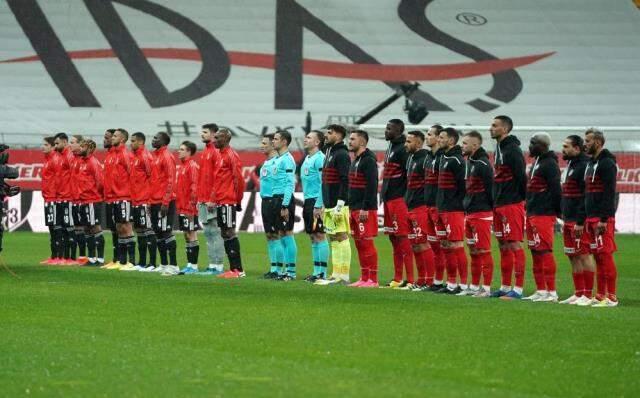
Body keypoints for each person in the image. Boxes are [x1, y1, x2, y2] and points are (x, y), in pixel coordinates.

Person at [489, 115, 527, 299]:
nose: (491, 128)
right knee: (503, 245)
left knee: (514, 244)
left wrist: (518, 199)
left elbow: (521, 177)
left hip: (511, 203)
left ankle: (518, 289)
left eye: (494, 125)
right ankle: (504, 287)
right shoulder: (498, 149)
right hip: (500, 203)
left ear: (505, 129)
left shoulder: (513, 150)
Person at [522, 132, 561, 302]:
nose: (530, 146)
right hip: (533, 213)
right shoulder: (536, 162)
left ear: (542, 145)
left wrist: (556, 211)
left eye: (533, 143)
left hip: (543, 214)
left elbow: (555, 190)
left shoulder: (550, 164)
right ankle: (540, 290)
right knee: (536, 252)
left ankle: (551, 292)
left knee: (545, 251)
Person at [583, 128, 619, 307]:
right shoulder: (591, 163)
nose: (585, 144)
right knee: (597, 256)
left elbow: (610, 192)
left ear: (597, 142)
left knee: (605, 256)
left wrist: (604, 219)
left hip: (601, 218)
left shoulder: (607, 164)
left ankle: (611, 297)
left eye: (588, 141)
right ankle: (600, 295)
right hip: (591, 217)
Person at [559, 135, 594, 305]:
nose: (563, 149)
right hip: (568, 218)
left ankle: (588, 294)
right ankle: (578, 293)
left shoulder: (584, 166)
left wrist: (581, 220)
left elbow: (585, 196)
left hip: (579, 220)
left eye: (566, 146)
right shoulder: (570, 165)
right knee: (572, 256)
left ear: (577, 149)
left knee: (584, 255)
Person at [315, 125, 351, 285]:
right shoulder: (329, 152)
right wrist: (324, 203)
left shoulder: (342, 154)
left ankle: (344, 275)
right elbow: (325, 181)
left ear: (339, 135)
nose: (326, 135)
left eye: (330, 133)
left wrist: (340, 203)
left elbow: (345, 180)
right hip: (329, 203)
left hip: (339, 203)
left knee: (342, 236)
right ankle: (336, 273)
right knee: (333, 237)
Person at [461, 130, 494, 297]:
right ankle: (474, 286)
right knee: (473, 251)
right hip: (470, 213)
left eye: (465, 143)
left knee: (483, 251)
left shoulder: (483, 163)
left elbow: (491, 189)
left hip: (482, 213)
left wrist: (488, 209)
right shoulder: (470, 162)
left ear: (475, 145)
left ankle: (486, 288)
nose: (462, 145)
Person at [435, 127, 467, 294]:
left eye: (442, 137)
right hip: (442, 208)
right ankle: (451, 283)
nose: (439, 140)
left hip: (453, 209)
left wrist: (458, 205)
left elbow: (463, 187)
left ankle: (463, 284)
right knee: (446, 245)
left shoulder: (457, 160)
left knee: (456, 245)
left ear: (451, 141)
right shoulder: (443, 157)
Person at [381, 119, 413, 288]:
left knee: (403, 237)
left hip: (399, 199)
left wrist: (405, 198)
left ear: (399, 131)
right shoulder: (391, 147)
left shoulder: (402, 149)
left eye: (389, 128)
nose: (386, 131)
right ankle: (397, 278)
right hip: (388, 200)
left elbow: (409, 176)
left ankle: (410, 279)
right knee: (393, 239)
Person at [347, 130, 380, 288]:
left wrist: (365, 207)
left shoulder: (369, 160)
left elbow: (372, 185)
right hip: (354, 207)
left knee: (366, 242)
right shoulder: (355, 160)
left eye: (352, 139)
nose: (349, 141)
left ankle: (373, 279)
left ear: (362, 142)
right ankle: (364, 277)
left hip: (364, 208)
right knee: (359, 243)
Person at [212, 128, 246, 279]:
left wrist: (237, 200)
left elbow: (238, 180)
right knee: (224, 232)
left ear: (226, 139)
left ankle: (238, 270)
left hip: (228, 199)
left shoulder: (231, 156)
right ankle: (233, 269)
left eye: (218, 138)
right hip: (221, 199)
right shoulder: (220, 155)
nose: (214, 140)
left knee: (229, 231)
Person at [404, 130, 435, 291]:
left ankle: (429, 280)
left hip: (421, 206)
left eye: (409, 142)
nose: (406, 144)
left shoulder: (425, 159)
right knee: (415, 245)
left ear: (418, 143)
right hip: (410, 206)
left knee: (423, 243)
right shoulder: (410, 158)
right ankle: (421, 279)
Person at [300, 130, 329, 282]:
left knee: (319, 235)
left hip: (316, 201)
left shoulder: (320, 159)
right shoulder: (307, 158)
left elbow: (323, 183)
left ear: (317, 142)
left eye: (309, 137)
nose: (305, 139)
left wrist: (319, 204)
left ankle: (322, 272)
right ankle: (316, 270)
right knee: (312, 236)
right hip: (308, 200)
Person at [197, 123, 225, 275]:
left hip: (211, 200)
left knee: (215, 231)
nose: (202, 134)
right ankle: (211, 264)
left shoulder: (215, 152)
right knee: (208, 232)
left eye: (205, 132)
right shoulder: (205, 152)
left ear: (214, 135)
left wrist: (213, 198)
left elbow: (217, 178)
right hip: (203, 198)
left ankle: (218, 265)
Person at [106, 128, 136, 271]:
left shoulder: (125, 154)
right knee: (119, 228)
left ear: (123, 139)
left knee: (126, 227)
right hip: (114, 197)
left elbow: (133, 175)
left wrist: (130, 194)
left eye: (116, 136)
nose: (113, 138)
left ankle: (132, 261)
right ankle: (122, 261)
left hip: (124, 196)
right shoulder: (113, 155)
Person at [149, 131, 178, 275]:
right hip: (154, 200)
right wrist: (150, 201)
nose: (153, 139)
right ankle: (164, 263)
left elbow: (171, 180)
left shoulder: (167, 156)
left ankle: (173, 266)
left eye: (156, 138)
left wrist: (165, 202)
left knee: (166, 232)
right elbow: (153, 181)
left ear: (163, 141)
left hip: (164, 201)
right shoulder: (154, 156)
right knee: (158, 233)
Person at [271, 130, 298, 281]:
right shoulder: (278, 159)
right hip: (276, 199)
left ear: (284, 142)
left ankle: (291, 272)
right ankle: (284, 271)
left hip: (283, 200)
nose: (273, 141)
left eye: (276, 139)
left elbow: (289, 184)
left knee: (287, 233)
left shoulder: (288, 159)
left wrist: (285, 205)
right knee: (281, 234)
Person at [423, 125, 448, 292]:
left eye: (430, 134)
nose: (427, 137)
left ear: (439, 138)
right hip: (428, 206)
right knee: (434, 246)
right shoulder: (428, 157)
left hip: (440, 207)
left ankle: (452, 282)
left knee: (445, 246)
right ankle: (437, 281)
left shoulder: (443, 158)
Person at [129, 132, 157, 272]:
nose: (130, 143)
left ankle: (152, 263)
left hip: (145, 199)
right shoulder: (134, 157)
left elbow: (152, 177)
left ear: (141, 142)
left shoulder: (145, 156)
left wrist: (150, 199)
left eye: (133, 141)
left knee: (148, 230)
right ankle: (141, 262)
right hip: (136, 200)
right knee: (139, 231)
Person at [258, 133, 284, 278]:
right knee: (269, 235)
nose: (261, 146)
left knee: (277, 235)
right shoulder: (266, 162)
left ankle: (279, 269)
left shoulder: (277, 162)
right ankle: (273, 267)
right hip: (265, 201)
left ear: (272, 145)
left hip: (274, 201)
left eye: (264, 143)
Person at [76, 139, 105, 266]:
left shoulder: (93, 162)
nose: (79, 149)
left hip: (92, 200)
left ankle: (100, 258)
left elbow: (100, 182)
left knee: (95, 227)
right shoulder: (82, 162)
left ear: (89, 148)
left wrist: (95, 195)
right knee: (87, 228)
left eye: (82, 147)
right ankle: (92, 258)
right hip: (83, 200)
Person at [176, 141, 201, 274]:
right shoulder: (182, 167)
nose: (178, 151)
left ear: (189, 151)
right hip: (182, 207)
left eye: (182, 149)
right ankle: (190, 264)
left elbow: (195, 187)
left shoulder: (192, 166)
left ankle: (194, 266)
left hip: (189, 208)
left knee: (191, 234)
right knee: (186, 234)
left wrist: (191, 206)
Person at [53, 132, 77, 265]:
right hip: (59, 197)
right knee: (62, 228)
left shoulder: (69, 156)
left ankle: (72, 258)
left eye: (57, 143)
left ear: (64, 142)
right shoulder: (59, 156)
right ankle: (64, 257)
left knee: (69, 228)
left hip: (68, 197)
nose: (55, 146)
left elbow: (74, 176)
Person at [39, 137, 63, 265]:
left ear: (53, 147)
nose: (43, 147)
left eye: (46, 144)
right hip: (48, 198)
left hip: (53, 198)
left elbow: (60, 180)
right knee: (52, 228)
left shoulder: (55, 160)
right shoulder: (47, 160)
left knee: (56, 228)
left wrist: (56, 196)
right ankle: (54, 256)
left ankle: (59, 257)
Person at [101, 129, 120, 269]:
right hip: (109, 198)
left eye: (108, 137)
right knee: (113, 229)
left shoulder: (118, 155)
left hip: (119, 197)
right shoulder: (109, 156)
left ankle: (123, 259)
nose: (105, 140)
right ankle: (116, 258)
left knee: (122, 228)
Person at [69, 134, 88, 264]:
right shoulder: (73, 159)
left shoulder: (84, 159)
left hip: (83, 199)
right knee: (77, 228)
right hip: (74, 198)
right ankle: (79, 257)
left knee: (86, 229)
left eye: (73, 142)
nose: (71, 144)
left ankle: (88, 256)